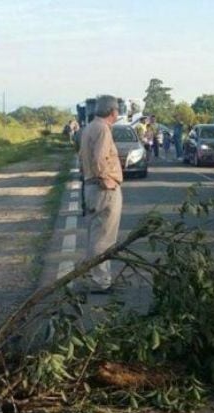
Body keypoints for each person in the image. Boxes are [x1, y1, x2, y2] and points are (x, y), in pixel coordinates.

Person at [78, 95, 123, 294]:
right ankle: (100, 281)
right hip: (103, 189)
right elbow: (99, 159)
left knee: (96, 234)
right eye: (117, 110)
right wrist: (107, 181)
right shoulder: (103, 129)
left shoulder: (89, 127)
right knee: (104, 237)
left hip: (91, 187)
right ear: (112, 111)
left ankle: (95, 276)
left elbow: (83, 157)